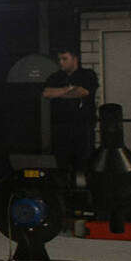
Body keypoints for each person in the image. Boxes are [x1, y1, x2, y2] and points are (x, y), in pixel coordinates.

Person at [42, 48, 98, 176]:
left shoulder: (88, 75)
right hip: (61, 129)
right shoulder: (55, 77)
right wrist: (70, 88)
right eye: (59, 59)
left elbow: (83, 92)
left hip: (83, 129)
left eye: (64, 59)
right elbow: (47, 93)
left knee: (84, 165)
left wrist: (59, 93)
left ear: (75, 59)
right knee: (62, 166)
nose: (61, 62)